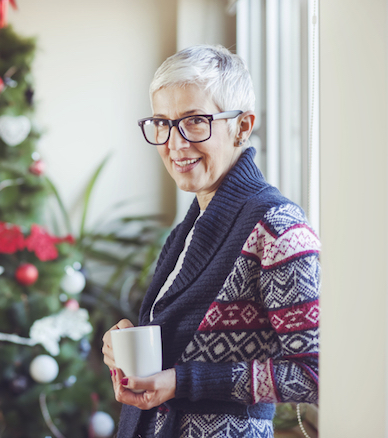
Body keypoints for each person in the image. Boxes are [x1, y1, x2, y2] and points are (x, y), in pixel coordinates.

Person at [101, 45, 320, 438]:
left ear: (242, 126)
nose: (175, 143)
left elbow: (316, 372)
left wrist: (184, 382)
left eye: (195, 122)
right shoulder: (190, 228)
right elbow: (185, 348)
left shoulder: (278, 228)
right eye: (162, 123)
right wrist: (122, 344)